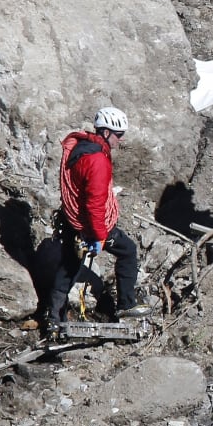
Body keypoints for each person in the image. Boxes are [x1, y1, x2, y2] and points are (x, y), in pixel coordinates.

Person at [45, 107, 153, 333]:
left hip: (72, 223)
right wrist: (100, 236)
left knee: (68, 267)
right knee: (127, 251)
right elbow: (94, 203)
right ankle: (126, 304)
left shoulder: (80, 149)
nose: (121, 140)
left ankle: (54, 318)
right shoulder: (97, 160)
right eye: (118, 134)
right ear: (105, 132)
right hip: (90, 226)